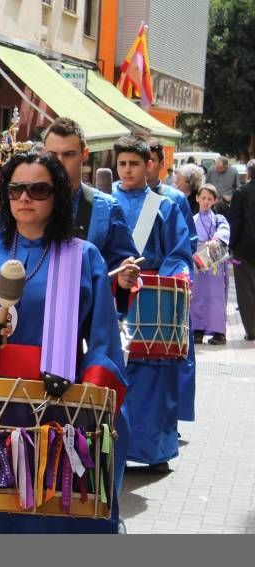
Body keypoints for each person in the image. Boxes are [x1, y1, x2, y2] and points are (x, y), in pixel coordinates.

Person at [0, 152, 130, 533]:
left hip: (58, 401)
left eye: (38, 189)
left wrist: (86, 395)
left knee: (54, 506)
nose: (25, 198)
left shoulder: (83, 256)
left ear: (57, 195)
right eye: (16, 189)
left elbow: (104, 341)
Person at [111, 136, 193, 472]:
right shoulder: (104, 202)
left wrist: (166, 281)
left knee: (154, 379)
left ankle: (156, 451)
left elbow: (178, 254)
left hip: (152, 299)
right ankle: (113, 449)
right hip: (114, 297)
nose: (128, 170)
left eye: (134, 164)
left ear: (149, 165)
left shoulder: (163, 206)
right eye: (122, 164)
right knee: (116, 373)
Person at [43, 118, 139, 283]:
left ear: (84, 155)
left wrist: (124, 275)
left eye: (68, 154)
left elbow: (123, 262)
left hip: (87, 305)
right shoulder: (26, 201)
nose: (59, 161)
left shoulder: (108, 208)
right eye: (52, 155)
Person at [146, 140, 198, 424]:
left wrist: (174, 275)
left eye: (152, 160)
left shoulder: (173, 199)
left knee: (175, 353)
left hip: (165, 285)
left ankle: (172, 415)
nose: (146, 165)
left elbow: (187, 240)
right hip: (131, 285)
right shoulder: (116, 194)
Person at [191, 183, 230, 345]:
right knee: (197, 296)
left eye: (209, 199)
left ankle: (219, 333)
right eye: (203, 198)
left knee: (216, 297)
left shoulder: (219, 219)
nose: (206, 201)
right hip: (198, 261)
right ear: (197, 199)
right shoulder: (192, 220)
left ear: (214, 201)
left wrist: (215, 240)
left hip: (214, 261)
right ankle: (198, 331)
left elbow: (224, 230)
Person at [229, 159, 255, 341]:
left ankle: (252, 330)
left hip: (244, 249)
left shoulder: (241, 193)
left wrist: (231, 245)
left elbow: (236, 222)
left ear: (249, 173)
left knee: (246, 290)